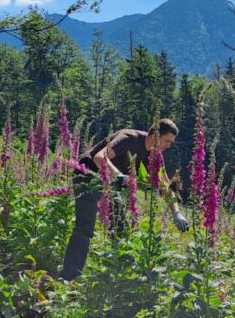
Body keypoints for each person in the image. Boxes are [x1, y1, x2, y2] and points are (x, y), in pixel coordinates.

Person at [60, 119, 190, 281]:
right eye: (167, 141)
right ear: (155, 135)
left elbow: (166, 186)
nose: (169, 146)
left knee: (120, 227)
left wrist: (176, 213)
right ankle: (68, 278)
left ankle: (118, 277)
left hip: (110, 181)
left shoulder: (156, 156)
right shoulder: (129, 138)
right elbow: (100, 158)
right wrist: (119, 176)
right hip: (88, 174)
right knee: (85, 226)